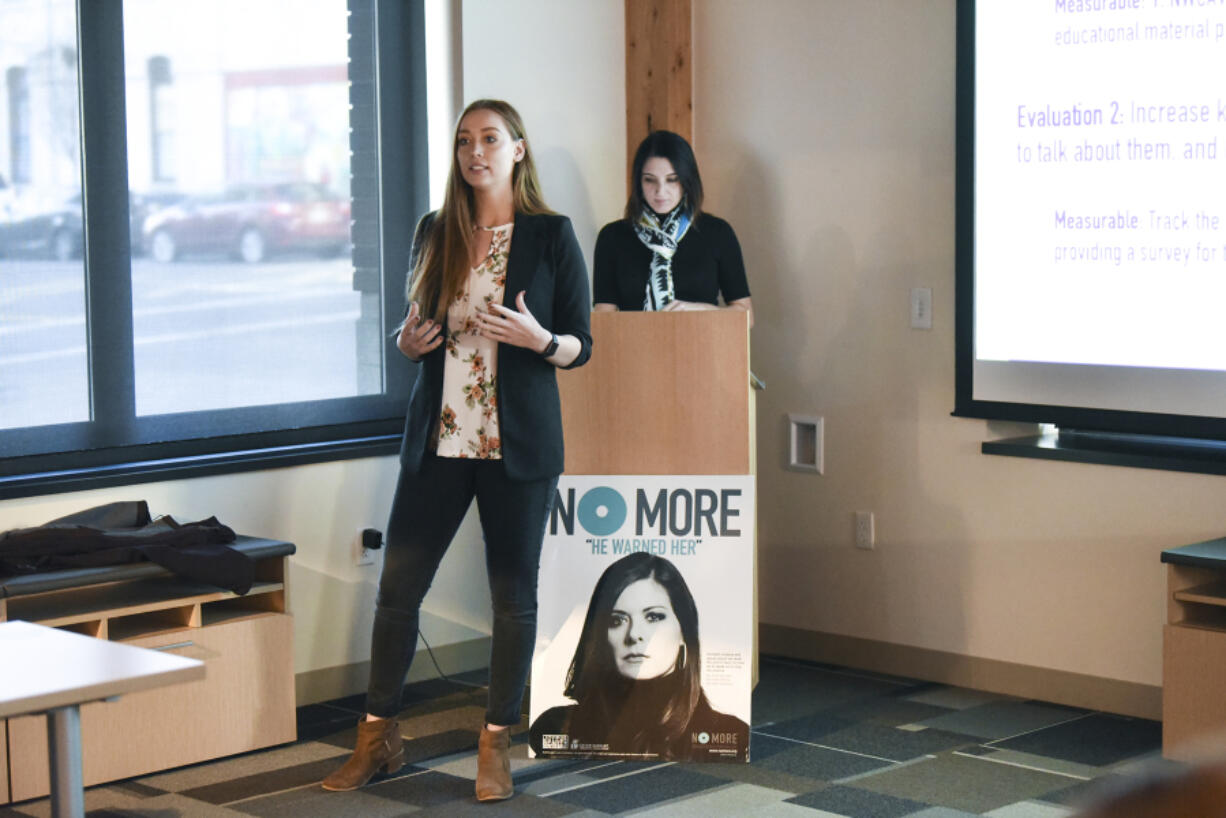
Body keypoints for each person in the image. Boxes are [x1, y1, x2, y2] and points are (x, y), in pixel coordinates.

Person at [322, 99, 592, 801]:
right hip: (439, 442)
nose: (476, 152)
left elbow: (579, 345)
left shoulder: (551, 235)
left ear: (518, 150)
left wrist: (541, 342)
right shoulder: (436, 230)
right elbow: (415, 329)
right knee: (397, 593)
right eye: (466, 140)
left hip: (517, 448)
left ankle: (495, 744)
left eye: (491, 139)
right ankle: (378, 738)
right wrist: (406, 346)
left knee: (513, 601)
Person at [529, 553, 749, 761]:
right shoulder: (556, 727)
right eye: (617, 621)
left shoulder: (728, 734)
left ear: (684, 631)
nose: (634, 634)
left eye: (653, 617)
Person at [592, 130, 753, 325]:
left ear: (687, 181)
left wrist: (700, 310)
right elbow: (603, 317)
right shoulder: (613, 237)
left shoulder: (717, 233)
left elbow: (746, 316)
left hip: (705, 347)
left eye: (672, 179)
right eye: (649, 180)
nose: (660, 191)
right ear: (638, 182)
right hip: (635, 349)